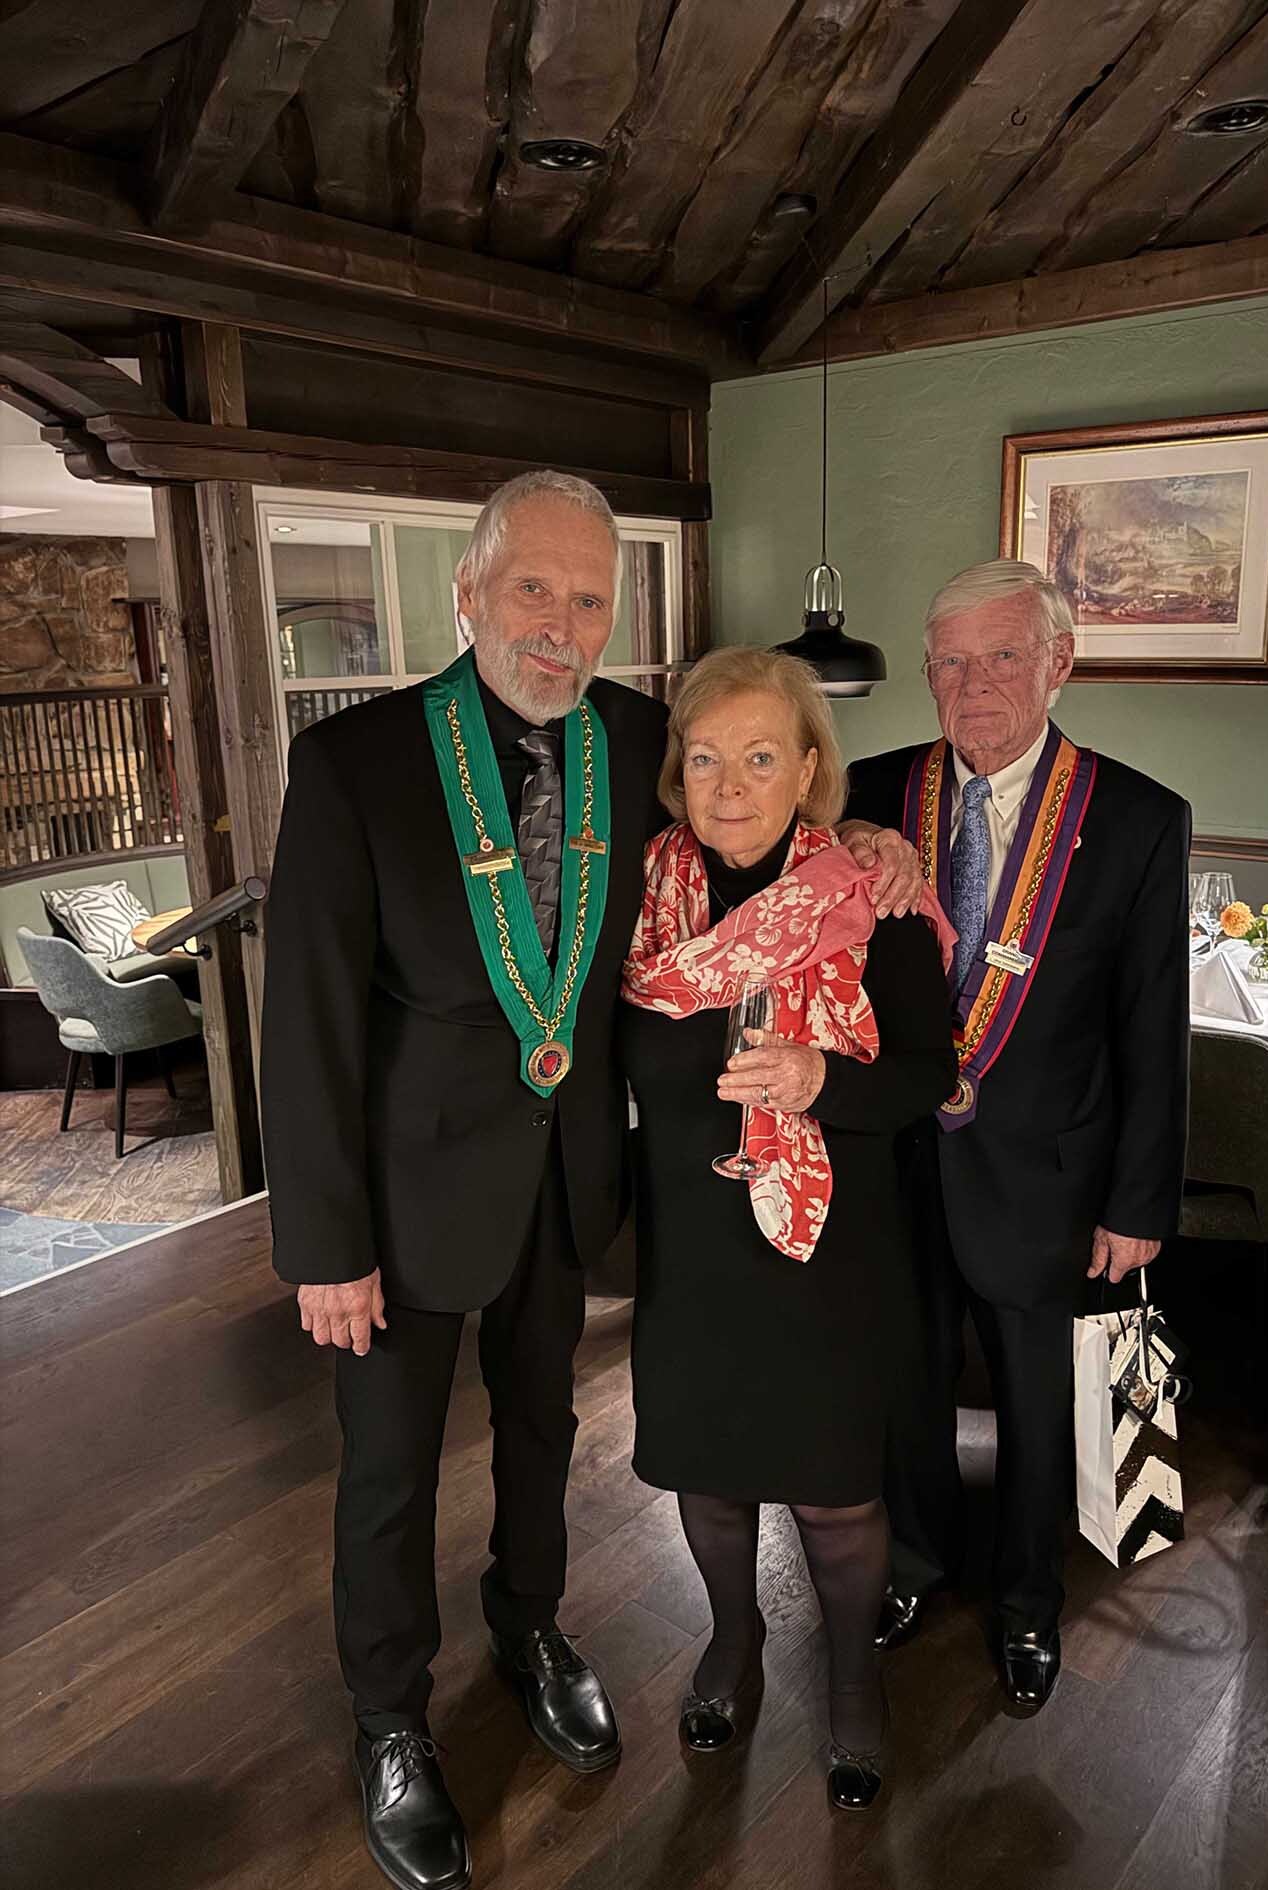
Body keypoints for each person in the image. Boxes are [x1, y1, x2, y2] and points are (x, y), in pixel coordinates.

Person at [261, 474, 924, 1890]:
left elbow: (771, 793)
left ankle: (530, 1626)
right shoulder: (355, 761)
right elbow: (304, 1017)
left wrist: (872, 839)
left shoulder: (635, 740)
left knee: (542, 1433)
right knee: (385, 1473)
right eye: (531, 590)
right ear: (467, 591)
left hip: (565, 1180)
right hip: (400, 1200)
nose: (558, 626)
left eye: (586, 599)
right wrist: (323, 1241)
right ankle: (390, 1717)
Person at [846, 559, 1191, 1714]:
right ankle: (912, 1565)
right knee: (903, 1387)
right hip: (896, 1166)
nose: (973, 683)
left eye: (1002, 656)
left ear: (1059, 664)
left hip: (1048, 1176)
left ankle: (1028, 1602)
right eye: (949, 661)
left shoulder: (1136, 818)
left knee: (1040, 1407)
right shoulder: (873, 793)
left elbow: (1151, 1026)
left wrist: (1138, 1203)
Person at [620, 647, 957, 1813]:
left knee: (832, 1493)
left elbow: (927, 1073)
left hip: (826, 1252)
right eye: (706, 757)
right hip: (689, 1244)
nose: (728, 785)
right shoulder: (640, 897)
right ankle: (733, 1636)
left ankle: (852, 1674)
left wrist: (822, 1079)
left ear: (809, 769)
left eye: (761, 758)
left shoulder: (869, 898)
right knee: (706, 1477)